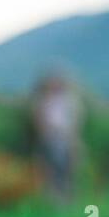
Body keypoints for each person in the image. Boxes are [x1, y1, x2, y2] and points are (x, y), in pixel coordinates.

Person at [30, 73, 82, 203]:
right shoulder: (43, 100)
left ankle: (64, 198)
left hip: (64, 138)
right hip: (49, 137)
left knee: (64, 168)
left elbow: (74, 121)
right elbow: (39, 120)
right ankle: (53, 198)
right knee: (50, 168)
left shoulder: (68, 100)